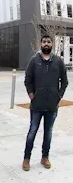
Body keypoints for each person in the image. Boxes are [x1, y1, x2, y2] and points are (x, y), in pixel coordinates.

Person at [23, 34, 68, 171]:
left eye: (49, 42)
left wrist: (58, 97)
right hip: (36, 105)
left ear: (52, 44)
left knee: (48, 132)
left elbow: (64, 82)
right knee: (32, 132)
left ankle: (45, 157)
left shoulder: (58, 61)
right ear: (40, 44)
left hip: (52, 106)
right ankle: (26, 159)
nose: (46, 44)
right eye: (44, 42)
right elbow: (27, 80)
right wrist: (31, 95)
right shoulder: (34, 60)